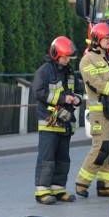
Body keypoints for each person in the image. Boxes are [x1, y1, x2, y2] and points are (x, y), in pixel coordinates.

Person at [75, 23, 109, 198]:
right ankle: (82, 183)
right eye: (107, 38)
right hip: (100, 111)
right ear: (97, 39)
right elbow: (95, 83)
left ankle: (106, 185)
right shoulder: (88, 60)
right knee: (102, 148)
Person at [32, 36, 83, 204]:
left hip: (66, 123)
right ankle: (42, 191)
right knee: (47, 158)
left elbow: (79, 90)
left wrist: (76, 99)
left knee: (63, 159)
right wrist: (63, 99)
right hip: (49, 122)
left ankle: (58, 189)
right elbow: (39, 92)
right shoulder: (44, 71)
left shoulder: (69, 72)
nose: (68, 60)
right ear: (56, 54)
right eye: (66, 57)